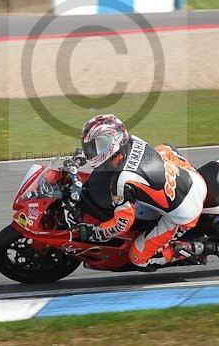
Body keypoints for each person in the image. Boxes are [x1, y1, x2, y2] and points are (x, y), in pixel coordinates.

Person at [75, 114, 211, 268]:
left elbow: (122, 223)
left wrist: (96, 233)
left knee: (138, 258)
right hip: (188, 175)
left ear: (113, 142)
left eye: (97, 146)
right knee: (163, 149)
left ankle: (190, 249)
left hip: (185, 211)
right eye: (89, 146)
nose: (92, 151)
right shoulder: (132, 140)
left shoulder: (122, 180)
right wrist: (83, 156)